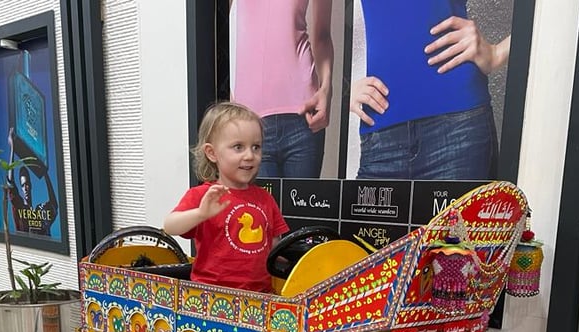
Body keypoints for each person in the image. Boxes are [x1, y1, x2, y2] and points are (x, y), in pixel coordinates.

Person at [350, 1, 510, 180]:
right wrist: (344, 90)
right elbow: (321, 35)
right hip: (381, 134)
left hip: (458, 129)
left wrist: (497, 53)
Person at [163, 102, 289, 293]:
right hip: (212, 298)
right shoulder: (203, 196)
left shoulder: (265, 198)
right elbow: (170, 226)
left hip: (260, 296)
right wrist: (200, 214)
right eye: (238, 147)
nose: (250, 155)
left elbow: (273, 246)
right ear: (212, 153)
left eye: (256, 147)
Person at [231, 0, 334, 178]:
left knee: (301, 205)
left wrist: (326, 90)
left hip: (304, 116)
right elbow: (214, 28)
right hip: (249, 119)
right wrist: (224, 93)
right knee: (255, 206)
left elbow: (323, 35)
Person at [6, 129, 58, 236]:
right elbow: (10, 183)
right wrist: (12, 148)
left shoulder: (39, 211)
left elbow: (54, 204)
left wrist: (45, 174)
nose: (26, 188)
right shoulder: (19, 206)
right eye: (23, 185)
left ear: (31, 185)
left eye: (27, 184)